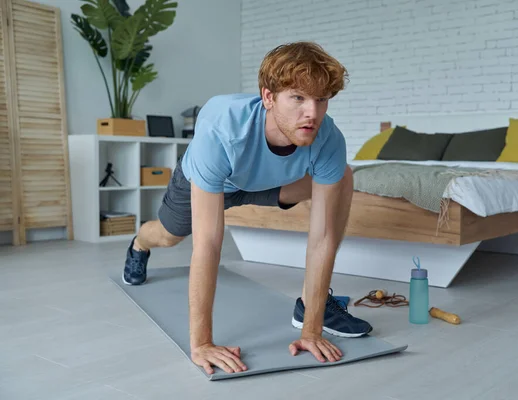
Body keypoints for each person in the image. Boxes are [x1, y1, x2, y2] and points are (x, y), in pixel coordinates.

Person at [122, 41, 373, 375]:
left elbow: (323, 238)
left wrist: (311, 331)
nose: (312, 112)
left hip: (264, 184)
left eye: (321, 99)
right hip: (211, 181)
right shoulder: (223, 126)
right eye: (298, 98)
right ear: (268, 97)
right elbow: (209, 244)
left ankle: (312, 306)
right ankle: (139, 243)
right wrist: (202, 344)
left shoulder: (328, 139)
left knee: (341, 175)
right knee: (168, 236)